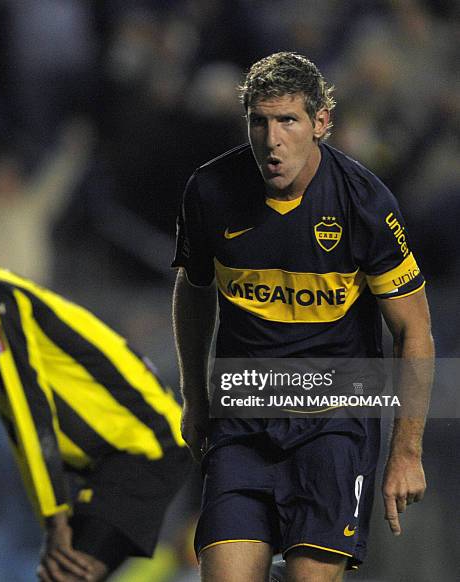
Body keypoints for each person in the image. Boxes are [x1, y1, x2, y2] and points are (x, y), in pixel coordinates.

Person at [172, 52, 434, 581]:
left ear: (320, 123)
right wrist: (195, 397)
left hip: (332, 429)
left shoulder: (364, 204)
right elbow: (194, 289)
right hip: (243, 422)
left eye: (288, 120)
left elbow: (414, 328)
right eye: (260, 121)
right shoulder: (210, 192)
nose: (272, 139)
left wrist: (406, 450)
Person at [0, 226, 189, 582]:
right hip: (118, 458)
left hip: (145, 446)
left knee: (67, 574)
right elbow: (16, 425)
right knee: (62, 574)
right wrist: (52, 519)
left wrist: (57, 516)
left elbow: (31, 409)